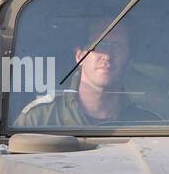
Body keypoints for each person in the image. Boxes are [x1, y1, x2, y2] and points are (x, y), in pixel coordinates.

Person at [15, 24, 158, 126]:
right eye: (99, 45)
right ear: (79, 56)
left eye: (118, 46)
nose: (107, 55)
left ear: (129, 60)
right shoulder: (40, 118)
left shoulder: (147, 123)